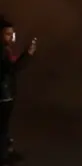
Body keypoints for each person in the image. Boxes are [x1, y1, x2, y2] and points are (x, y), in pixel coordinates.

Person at [0, 20, 35, 165]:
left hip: (6, 94)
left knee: (4, 126)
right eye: (8, 34)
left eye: (12, 33)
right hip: (2, 95)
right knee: (2, 126)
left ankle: (6, 151)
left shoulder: (5, 49)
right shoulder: (1, 51)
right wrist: (27, 55)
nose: (12, 37)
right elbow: (11, 69)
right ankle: (3, 155)